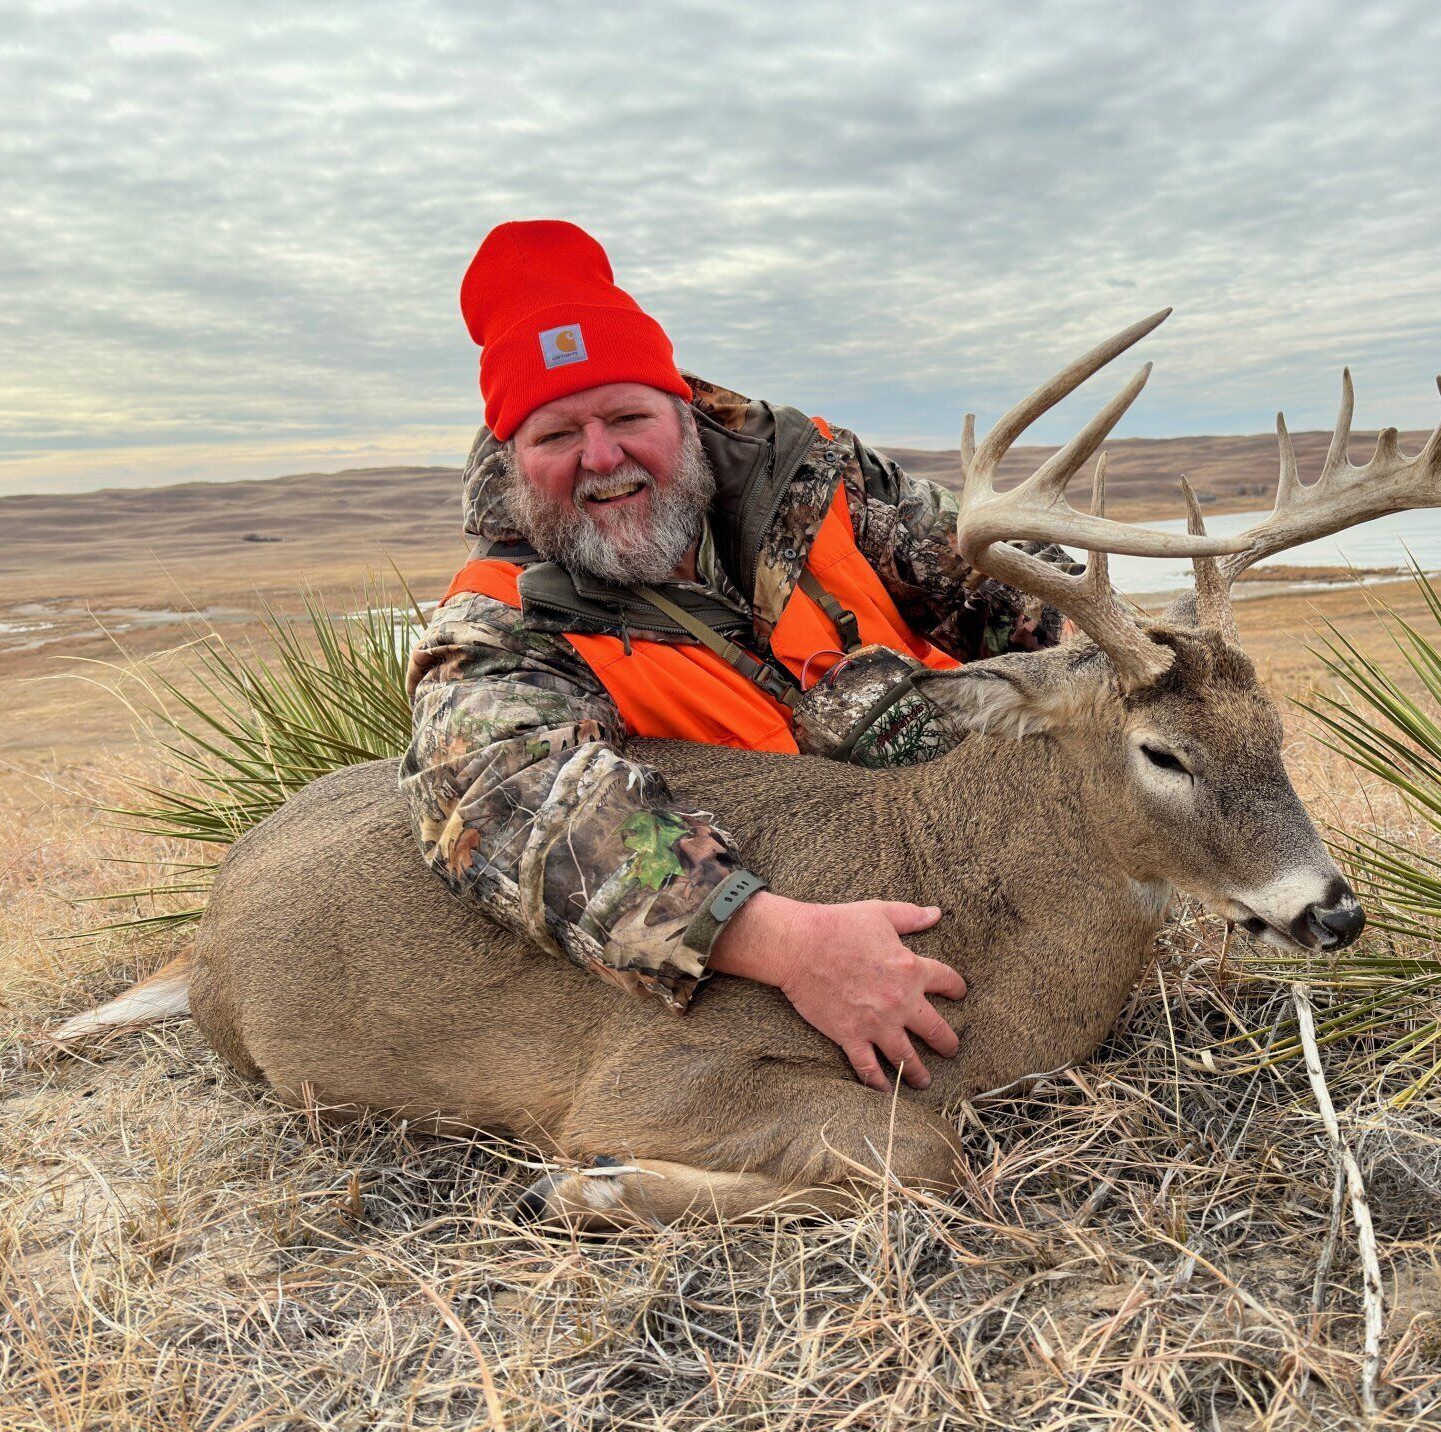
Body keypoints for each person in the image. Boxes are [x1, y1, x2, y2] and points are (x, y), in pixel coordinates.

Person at [401, 220, 1071, 1094]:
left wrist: (1130, 667)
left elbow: (1018, 593)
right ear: (513, 458)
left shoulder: (812, 474)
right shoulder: (494, 624)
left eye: (627, 416)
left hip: (985, 827)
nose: (602, 460)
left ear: (678, 408)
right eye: (556, 434)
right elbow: (497, 800)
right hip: (810, 897)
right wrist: (786, 945)